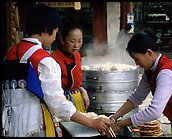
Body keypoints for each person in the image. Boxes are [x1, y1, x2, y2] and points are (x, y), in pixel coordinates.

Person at [2, 4, 111, 137]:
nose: (54, 37)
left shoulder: (10, 53)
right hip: (34, 126)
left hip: (9, 124)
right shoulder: (44, 60)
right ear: (47, 29)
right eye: (55, 32)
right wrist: (92, 122)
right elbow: (57, 104)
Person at [108, 29, 172, 137]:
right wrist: (114, 117)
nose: (136, 64)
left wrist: (121, 124)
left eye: (137, 59)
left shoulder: (165, 74)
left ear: (149, 53)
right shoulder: (150, 71)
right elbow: (136, 98)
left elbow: (154, 112)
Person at [51, 23, 89, 113]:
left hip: (77, 98)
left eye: (79, 41)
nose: (76, 45)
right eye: (72, 41)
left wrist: (82, 90)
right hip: (62, 101)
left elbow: (77, 79)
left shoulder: (77, 56)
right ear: (62, 40)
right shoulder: (54, 59)